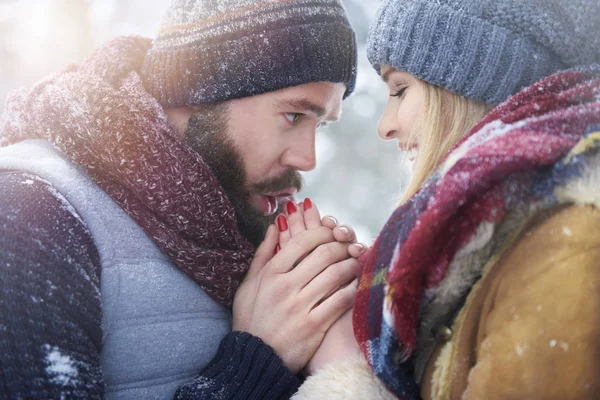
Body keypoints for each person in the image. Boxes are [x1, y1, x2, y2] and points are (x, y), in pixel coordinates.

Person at [0, 1, 364, 399]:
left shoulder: (235, 222)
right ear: (200, 89)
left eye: (322, 124)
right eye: (294, 116)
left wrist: (334, 343)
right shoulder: (30, 215)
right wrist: (259, 361)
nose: (307, 159)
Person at [291, 0, 600, 399]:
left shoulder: (568, 251)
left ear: (476, 85)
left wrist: (344, 370)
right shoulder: (487, 249)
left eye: (401, 89)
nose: (385, 126)